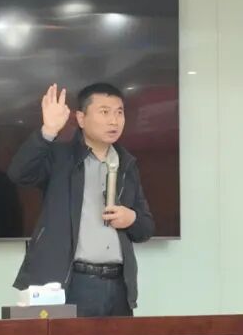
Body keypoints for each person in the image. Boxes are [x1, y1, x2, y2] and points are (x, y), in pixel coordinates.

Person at [8, 82, 154, 317]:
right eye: (104, 112)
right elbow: (19, 174)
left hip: (118, 285)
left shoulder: (126, 164)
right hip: (69, 282)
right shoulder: (60, 157)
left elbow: (146, 228)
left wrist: (132, 219)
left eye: (119, 113)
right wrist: (48, 131)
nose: (114, 121)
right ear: (81, 118)